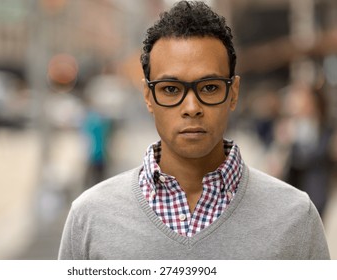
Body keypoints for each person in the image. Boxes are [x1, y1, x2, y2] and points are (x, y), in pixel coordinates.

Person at [58, 1, 330, 260]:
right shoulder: (90, 217)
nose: (191, 107)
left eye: (209, 87)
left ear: (233, 93)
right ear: (148, 96)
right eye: (171, 89)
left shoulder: (295, 217)